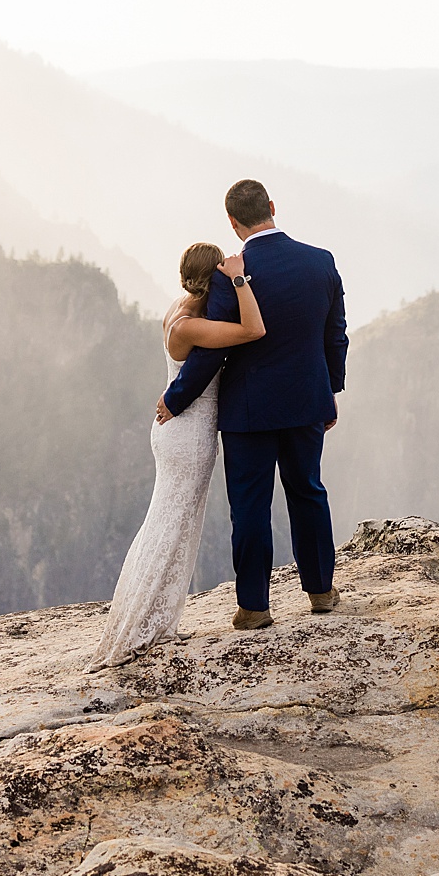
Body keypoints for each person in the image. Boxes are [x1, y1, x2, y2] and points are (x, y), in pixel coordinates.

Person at [159, 179, 349, 630]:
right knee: (308, 492)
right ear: (272, 208)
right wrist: (330, 392)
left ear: (232, 221)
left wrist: (176, 398)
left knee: (250, 507)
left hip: (248, 411)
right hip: (306, 401)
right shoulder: (321, 262)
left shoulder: (231, 274)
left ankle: (254, 607)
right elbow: (334, 335)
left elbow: (213, 350)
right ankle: (321, 592)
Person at [86, 242, 265, 667]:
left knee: (171, 523)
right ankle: (143, 626)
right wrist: (239, 280)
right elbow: (253, 330)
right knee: (173, 527)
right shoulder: (190, 326)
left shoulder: (180, 307)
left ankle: (155, 618)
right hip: (188, 435)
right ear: (213, 275)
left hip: (176, 431)